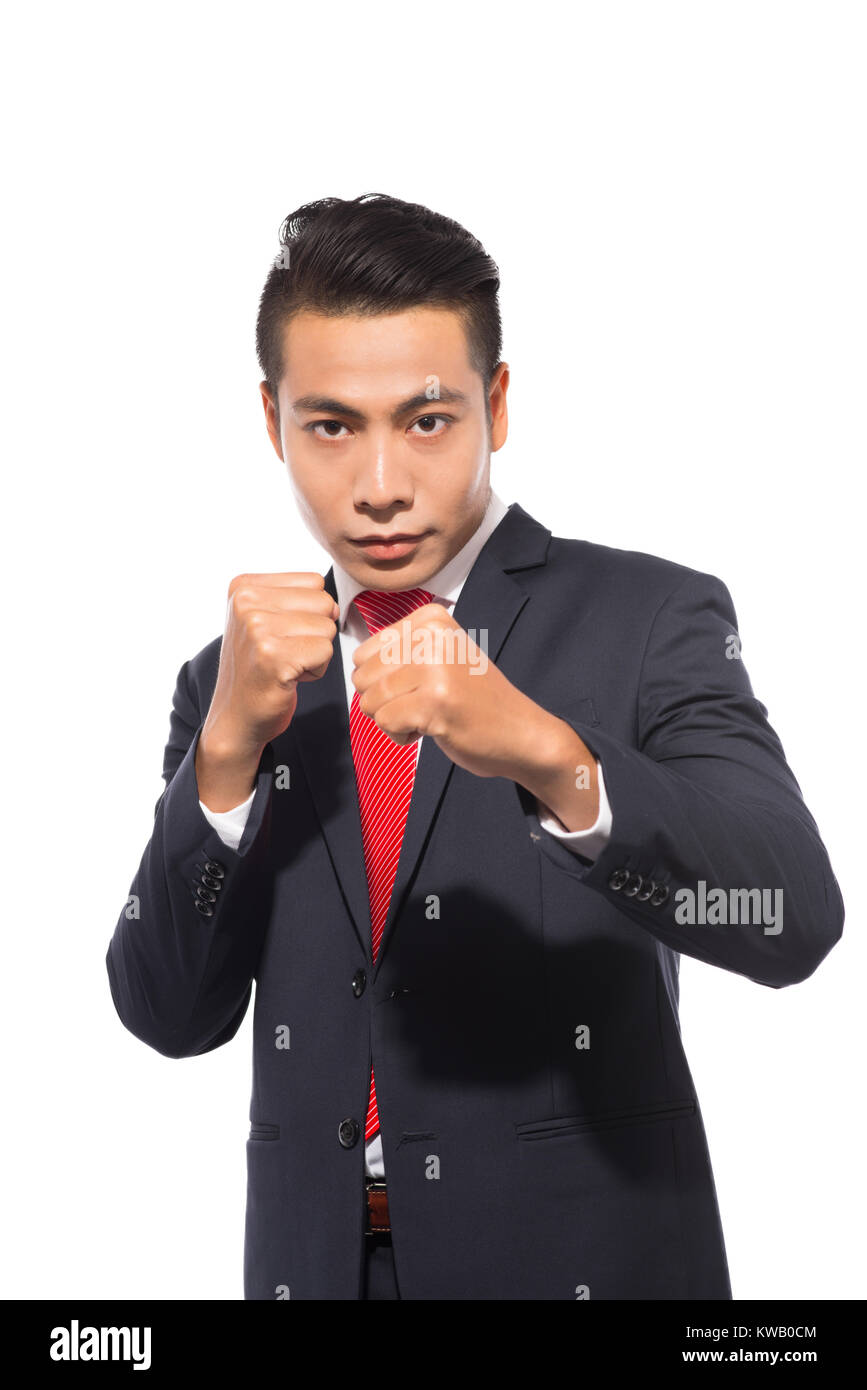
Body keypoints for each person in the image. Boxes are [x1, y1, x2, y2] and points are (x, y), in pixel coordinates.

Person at [105, 192, 844, 1300]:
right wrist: (220, 766)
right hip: (314, 1271)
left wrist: (552, 755)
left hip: (580, 1268)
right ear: (273, 422)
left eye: (429, 419)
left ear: (497, 403)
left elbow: (790, 920)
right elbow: (168, 1011)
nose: (382, 485)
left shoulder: (651, 617)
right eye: (332, 425)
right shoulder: (228, 681)